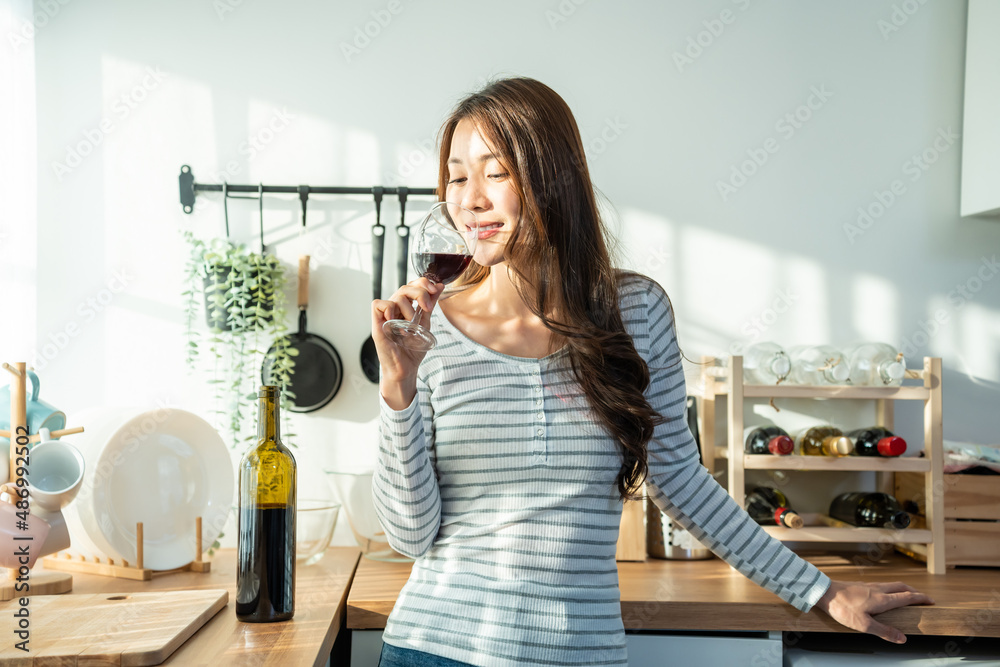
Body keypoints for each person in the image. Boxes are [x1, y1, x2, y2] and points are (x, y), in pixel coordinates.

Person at [370, 77, 932, 667]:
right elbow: (410, 537)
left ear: (553, 178)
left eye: (496, 171)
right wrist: (398, 390)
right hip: (434, 648)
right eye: (457, 176)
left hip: (580, 653)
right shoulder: (429, 336)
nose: (470, 199)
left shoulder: (633, 312)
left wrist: (821, 591)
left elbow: (681, 485)